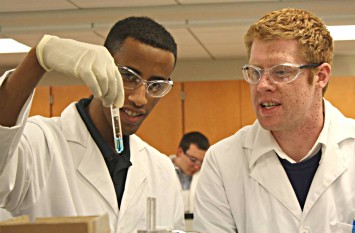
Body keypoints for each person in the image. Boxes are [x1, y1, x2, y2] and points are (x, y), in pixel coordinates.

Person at [0, 17, 185, 233]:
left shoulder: (160, 168)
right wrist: (37, 60)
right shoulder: (39, 144)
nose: (140, 98)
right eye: (128, 76)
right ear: (103, 68)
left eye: (156, 85)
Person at [193, 8, 355, 233]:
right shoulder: (222, 162)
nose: (262, 85)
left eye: (281, 72)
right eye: (255, 72)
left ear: (320, 76)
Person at [170, 131, 210, 214]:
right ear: (180, 152)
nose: (197, 166)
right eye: (193, 160)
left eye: (202, 162)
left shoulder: (207, 175)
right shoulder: (162, 171)